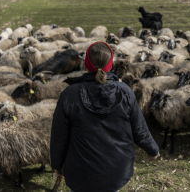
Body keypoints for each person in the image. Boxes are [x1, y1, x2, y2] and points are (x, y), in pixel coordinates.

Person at [50, 42, 159, 192]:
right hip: (117, 170)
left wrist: (56, 164)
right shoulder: (125, 92)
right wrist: (152, 150)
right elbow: (139, 128)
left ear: (86, 63)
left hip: (81, 172)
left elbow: (59, 135)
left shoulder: (70, 95)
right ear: (110, 65)